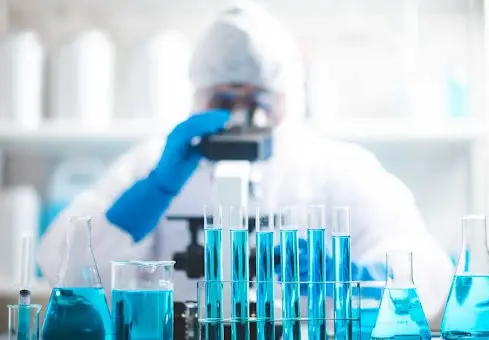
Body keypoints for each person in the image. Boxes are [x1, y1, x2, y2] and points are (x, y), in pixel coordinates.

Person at [38, 1, 453, 321]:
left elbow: (429, 275)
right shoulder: (153, 163)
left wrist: (351, 274)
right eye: (222, 99)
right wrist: (154, 191)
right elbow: (60, 263)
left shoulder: (339, 169)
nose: (239, 116)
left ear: (288, 96)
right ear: (196, 97)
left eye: (257, 100)